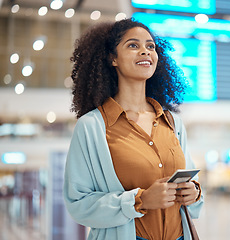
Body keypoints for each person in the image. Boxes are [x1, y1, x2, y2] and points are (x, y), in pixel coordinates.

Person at [63, 18, 204, 240]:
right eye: (133, 45)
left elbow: (191, 186)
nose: (145, 52)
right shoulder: (92, 127)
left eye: (150, 46)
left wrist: (193, 193)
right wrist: (141, 200)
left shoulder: (172, 123)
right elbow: (79, 204)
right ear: (112, 59)